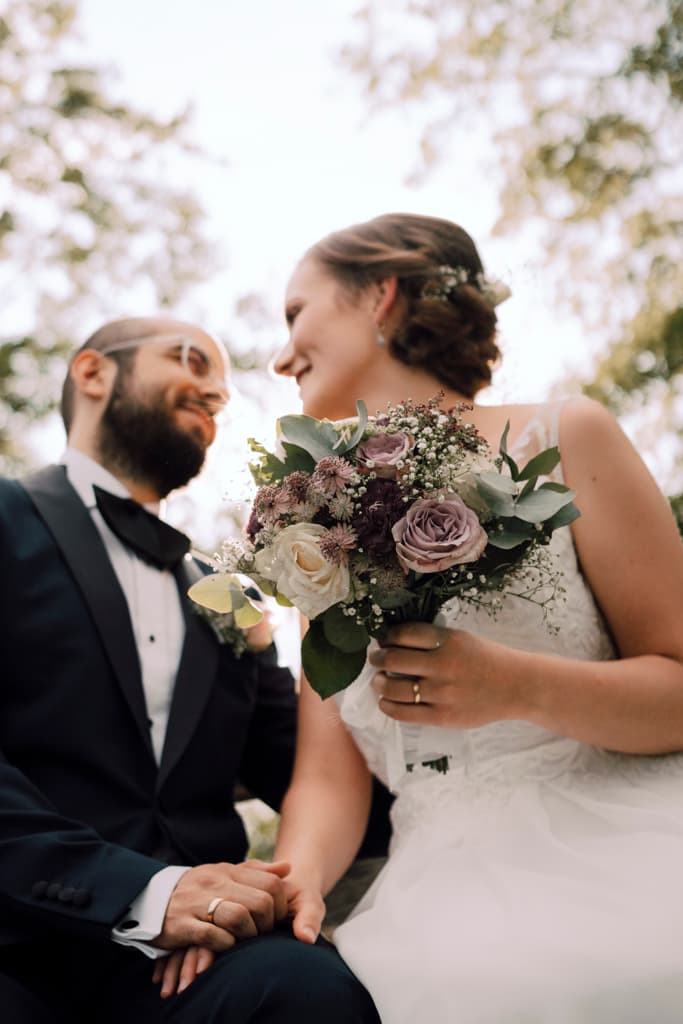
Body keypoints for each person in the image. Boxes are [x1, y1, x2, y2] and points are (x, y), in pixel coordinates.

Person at [266, 213, 683, 1023]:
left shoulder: (565, 437)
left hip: (623, 842)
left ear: (379, 297)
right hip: (434, 889)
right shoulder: (311, 523)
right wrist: (292, 888)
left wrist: (517, 685)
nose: (280, 355)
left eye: (294, 314)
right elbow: (326, 775)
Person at [0, 316, 380, 1023]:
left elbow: (306, 765)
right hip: (19, 934)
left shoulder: (231, 598)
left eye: (221, 383)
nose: (215, 392)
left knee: (313, 989)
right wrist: (148, 894)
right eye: (190, 360)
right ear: (92, 373)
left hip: (198, 960)